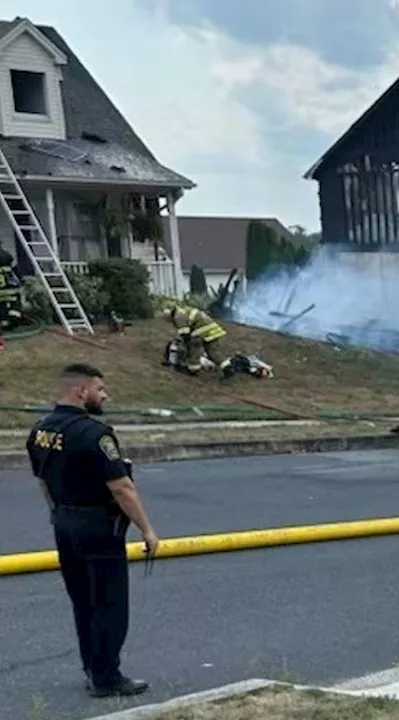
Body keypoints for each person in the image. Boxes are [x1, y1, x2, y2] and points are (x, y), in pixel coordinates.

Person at [26, 364, 160, 697]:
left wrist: (58, 514)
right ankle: (107, 677)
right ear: (81, 391)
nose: (105, 395)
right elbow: (121, 488)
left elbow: (43, 480)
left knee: (83, 602)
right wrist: (148, 530)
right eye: (100, 389)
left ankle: (92, 667)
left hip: (64, 522)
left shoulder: (41, 430)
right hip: (97, 528)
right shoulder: (94, 433)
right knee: (109, 604)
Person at [162, 305, 233, 379]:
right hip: (212, 330)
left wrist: (184, 345)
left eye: (167, 320)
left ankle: (193, 370)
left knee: (194, 349)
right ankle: (228, 369)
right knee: (212, 352)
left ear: (169, 316)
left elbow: (185, 334)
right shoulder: (184, 310)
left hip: (200, 332)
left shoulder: (178, 317)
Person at [0, 245, 22, 331]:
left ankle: (5, 321)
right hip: (12, 289)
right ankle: (11, 321)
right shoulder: (8, 256)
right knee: (14, 306)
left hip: (2, 291)